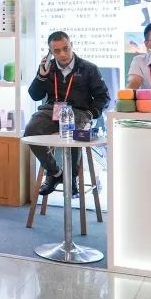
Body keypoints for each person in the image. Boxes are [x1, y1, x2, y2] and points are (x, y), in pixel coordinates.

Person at [25, 31, 110, 197]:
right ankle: (55, 172)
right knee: (31, 130)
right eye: (57, 51)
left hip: (78, 111)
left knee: (73, 133)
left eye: (66, 48)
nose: (63, 54)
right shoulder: (47, 68)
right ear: (50, 52)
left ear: (72, 46)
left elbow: (103, 97)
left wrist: (91, 113)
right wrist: (41, 76)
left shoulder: (89, 68)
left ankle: (71, 178)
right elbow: (35, 95)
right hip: (52, 110)